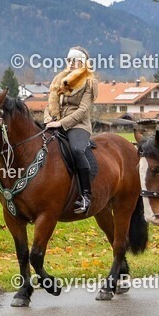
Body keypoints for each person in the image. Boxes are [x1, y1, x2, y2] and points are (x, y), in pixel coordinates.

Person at [43, 46, 97, 214]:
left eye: (76, 60)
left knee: (76, 150)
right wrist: (48, 119)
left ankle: (86, 195)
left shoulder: (89, 82)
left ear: (83, 63)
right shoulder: (59, 79)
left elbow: (83, 110)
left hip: (79, 125)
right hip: (55, 121)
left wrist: (61, 123)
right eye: (69, 60)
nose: (72, 63)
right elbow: (49, 104)